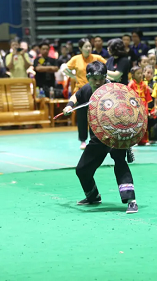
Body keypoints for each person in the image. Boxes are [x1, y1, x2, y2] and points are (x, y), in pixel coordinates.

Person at [62, 61, 138, 214]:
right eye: (94, 78)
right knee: (82, 169)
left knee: (119, 162)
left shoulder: (115, 90)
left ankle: (131, 201)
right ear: (88, 77)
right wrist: (69, 105)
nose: (97, 82)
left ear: (105, 77)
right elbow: (76, 96)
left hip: (117, 135)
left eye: (101, 78)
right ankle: (93, 196)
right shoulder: (87, 89)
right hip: (98, 136)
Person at [65, 38, 107, 149]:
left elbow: (107, 66)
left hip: (99, 93)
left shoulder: (96, 58)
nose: (88, 49)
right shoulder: (76, 59)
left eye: (90, 46)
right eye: (86, 47)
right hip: (83, 90)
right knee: (82, 117)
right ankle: (83, 140)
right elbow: (65, 69)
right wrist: (69, 106)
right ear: (80, 48)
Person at [127, 66, 152, 146]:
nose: (140, 75)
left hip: (143, 105)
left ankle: (144, 140)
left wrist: (147, 109)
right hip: (134, 106)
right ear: (133, 75)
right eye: (138, 73)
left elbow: (147, 98)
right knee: (135, 124)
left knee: (144, 124)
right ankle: (135, 141)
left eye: (141, 73)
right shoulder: (131, 85)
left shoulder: (144, 85)